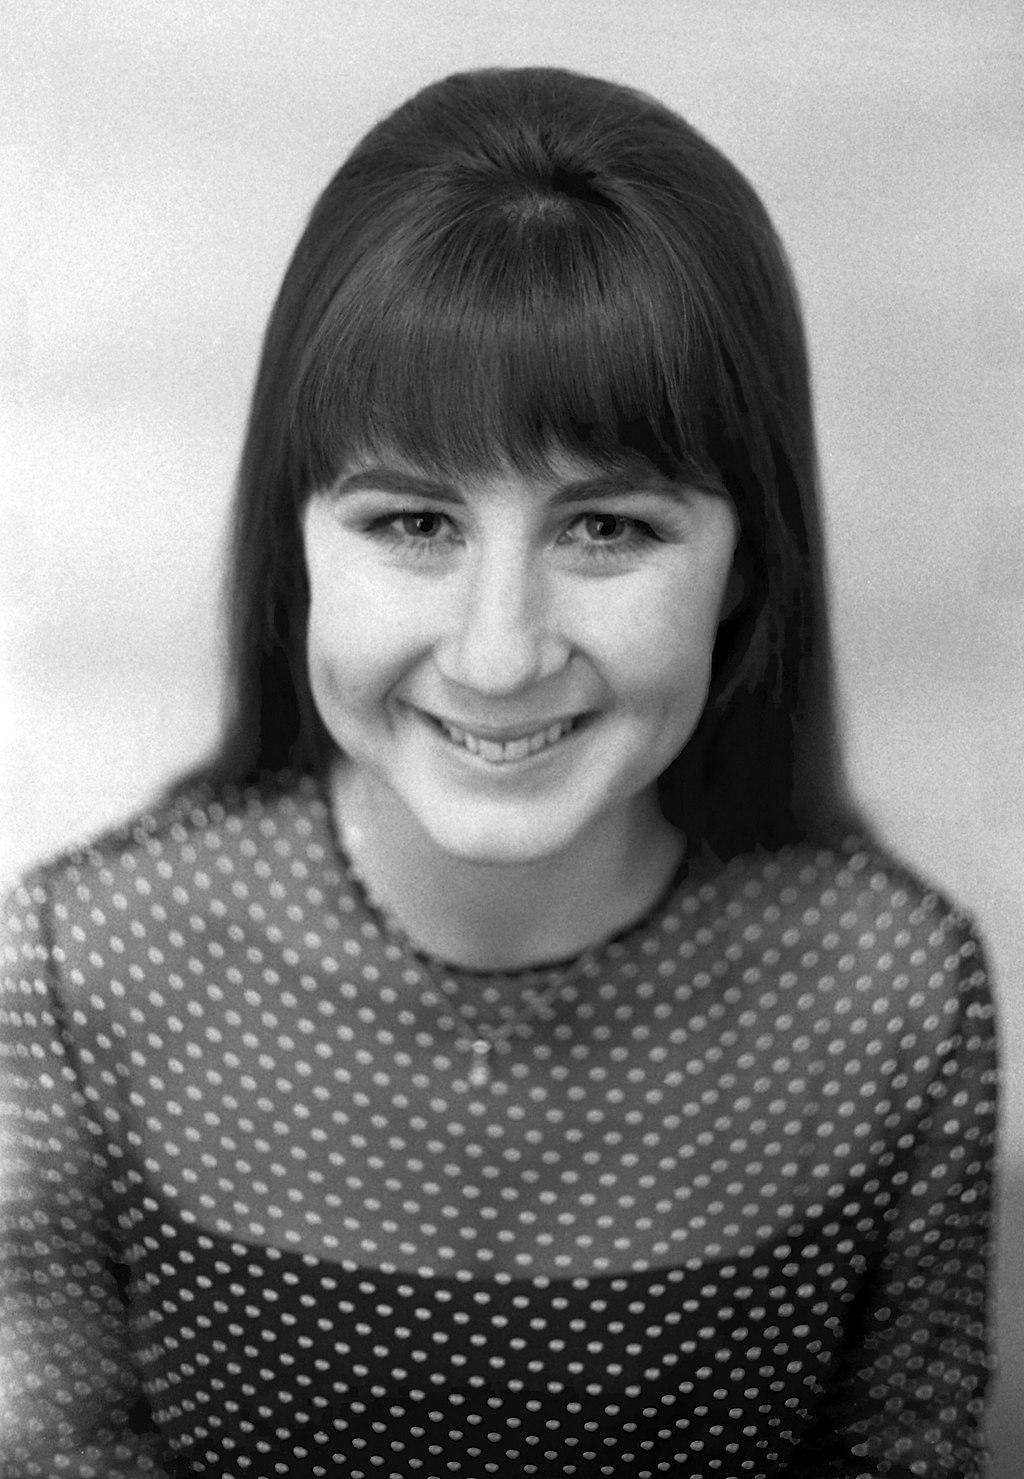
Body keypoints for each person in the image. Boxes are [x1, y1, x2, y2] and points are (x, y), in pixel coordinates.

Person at [0, 66, 998, 1479]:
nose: (501, 652)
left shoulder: (895, 996)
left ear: (746, 566)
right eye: (413, 519)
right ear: (292, 548)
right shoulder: (84, 964)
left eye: (607, 531)